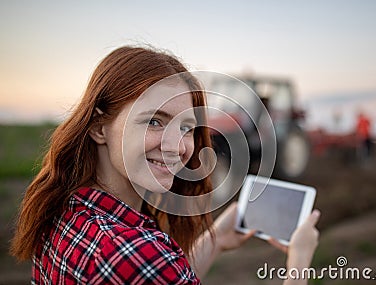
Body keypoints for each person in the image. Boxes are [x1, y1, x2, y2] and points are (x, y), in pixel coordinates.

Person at [11, 46, 320, 284]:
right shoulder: (134, 252)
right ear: (98, 127)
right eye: (155, 121)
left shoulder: (66, 210)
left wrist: (216, 241)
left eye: (187, 128)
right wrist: (298, 264)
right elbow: (148, 267)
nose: (178, 147)